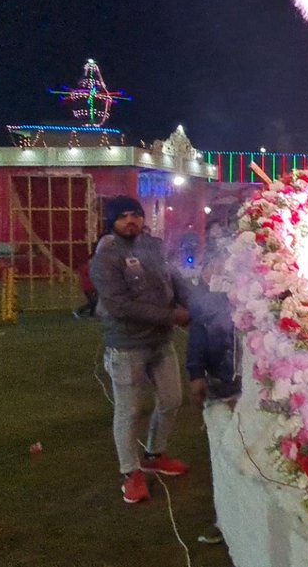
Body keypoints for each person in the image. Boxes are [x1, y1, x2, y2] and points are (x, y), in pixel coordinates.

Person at [91, 195, 192, 505]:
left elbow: (174, 279)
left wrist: (196, 304)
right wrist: (172, 316)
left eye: (135, 214)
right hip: (126, 345)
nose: (130, 221)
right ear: (112, 221)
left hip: (160, 341)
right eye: (122, 216)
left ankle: (154, 455)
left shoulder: (153, 247)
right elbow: (120, 307)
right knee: (129, 411)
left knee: (172, 400)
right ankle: (130, 473)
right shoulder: (105, 257)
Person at [186, 279, 238, 545]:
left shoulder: (271, 298)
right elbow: (198, 334)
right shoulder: (211, 302)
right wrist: (196, 375)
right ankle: (224, 520)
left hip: (258, 396)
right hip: (221, 391)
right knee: (223, 460)